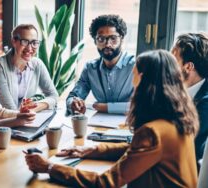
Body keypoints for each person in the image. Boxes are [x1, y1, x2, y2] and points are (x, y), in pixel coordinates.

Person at [25, 50, 199, 187]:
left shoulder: (152, 131)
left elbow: (106, 183)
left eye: (134, 74)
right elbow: (135, 148)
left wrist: (49, 167)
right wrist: (91, 150)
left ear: (144, 79)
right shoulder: (176, 118)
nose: (133, 81)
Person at [66, 14, 135, 115]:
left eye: (113, 38)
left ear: (122, 39)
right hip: (98, 124)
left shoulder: (136, 66)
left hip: (128, 124)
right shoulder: (90, 68)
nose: (107, 44)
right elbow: (74, 95)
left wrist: (101, 107)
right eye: (101, 39)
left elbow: (141, 105)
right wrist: (73, 103)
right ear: (95, 41)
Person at [0, 24, 58, 112]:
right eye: (24, 42)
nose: (29, 48)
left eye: (34, 43)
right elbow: (10, 109)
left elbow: (54, 96)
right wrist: (30, 110)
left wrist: (36, 106)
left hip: (27, 118)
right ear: (14, 41)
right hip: (4, 122)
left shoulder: (37, 64)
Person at [171, 33, 208, 162]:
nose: (168, 65)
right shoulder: (179, 89)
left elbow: (180, 144)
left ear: (188, 67)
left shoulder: (205, 104)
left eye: (173, 60)